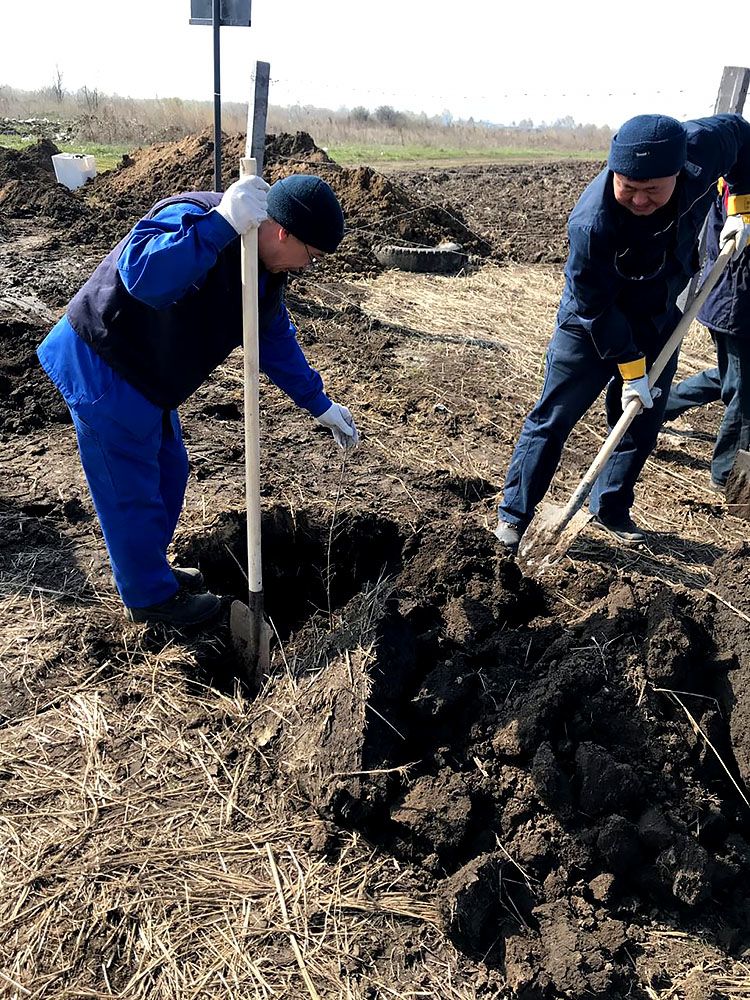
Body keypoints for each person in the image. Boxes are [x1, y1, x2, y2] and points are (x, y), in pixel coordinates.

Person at [38, 173, 359, 626]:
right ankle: (150, 599)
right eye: (310, 255)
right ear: (284, 232)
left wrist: (320, 404)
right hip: (105, 364)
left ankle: (150, 569)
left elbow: (272, 339)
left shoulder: (263, 270)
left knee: (171, 470)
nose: (307, 266)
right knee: (131, 489)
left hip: (150, 380)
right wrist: (221, 223)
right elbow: (143, 276)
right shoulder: (196, 215)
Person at [495, 113, 750, 553]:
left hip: (655, 314)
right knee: (554, 418)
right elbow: (594, 304)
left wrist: (740, 207)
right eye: (628, 187)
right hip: (590, 324)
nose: (638, 199)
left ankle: (610, 508)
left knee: (640, 422)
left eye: (652, 190)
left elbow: (745, 141)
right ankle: (513, 519)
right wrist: (632, 370)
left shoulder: (704, 147)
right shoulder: (590, 224)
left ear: (679, 169)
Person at [661, 184, 750, 491]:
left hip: (737, 301)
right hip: (736, 301)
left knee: (731, 376)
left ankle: (661, 405)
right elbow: (734, 239)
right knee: (743, 390)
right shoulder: (739, 180)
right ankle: (727, 475)